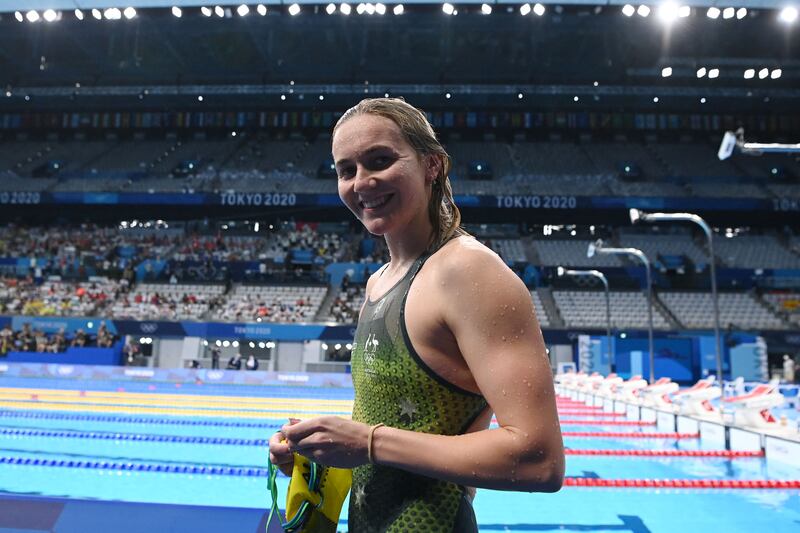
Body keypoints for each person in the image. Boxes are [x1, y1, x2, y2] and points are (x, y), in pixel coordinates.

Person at [269, 98, 564, 532]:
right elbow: (393, 426)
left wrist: (367, 442)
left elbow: (541, 460)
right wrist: (321, 447)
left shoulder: (467, 271)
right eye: (346, 170)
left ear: (432, 165)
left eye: (380, 161)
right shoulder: (379, 282)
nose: (362, 182)